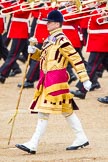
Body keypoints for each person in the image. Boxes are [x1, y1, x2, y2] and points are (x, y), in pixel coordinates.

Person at [15, 10, 92, 154]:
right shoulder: (49, 39)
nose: (46, 23)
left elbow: (75, 59)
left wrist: (85, 78)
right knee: (67, 111)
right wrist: (34, 52)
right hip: (49, 79)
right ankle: (81, 137)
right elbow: (45, 59)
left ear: (57, 23)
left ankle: (33, 143)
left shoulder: (62, 40)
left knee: (43, 112)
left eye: (49, 21)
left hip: (55, 81)